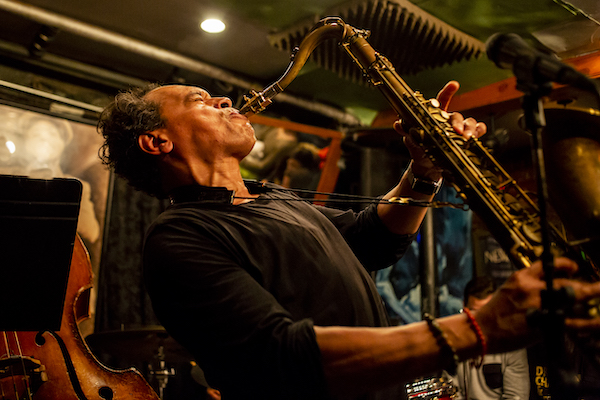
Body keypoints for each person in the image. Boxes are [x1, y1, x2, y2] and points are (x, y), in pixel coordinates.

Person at [97, 81, 600, 400]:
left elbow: (373, 240)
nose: (224, 99)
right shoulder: (180, 235)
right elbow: (282, 356)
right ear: (157, 141)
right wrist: (478, 326)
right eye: (199, 101)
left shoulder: (273, 201)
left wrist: (423, 173)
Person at [452, 277, 530, 399]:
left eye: (485, 313)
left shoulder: (511, 346)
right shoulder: (454, 344)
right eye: (474, 313)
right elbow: (452, 392)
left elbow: (516, 396)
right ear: (464, 308)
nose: (480, 321)